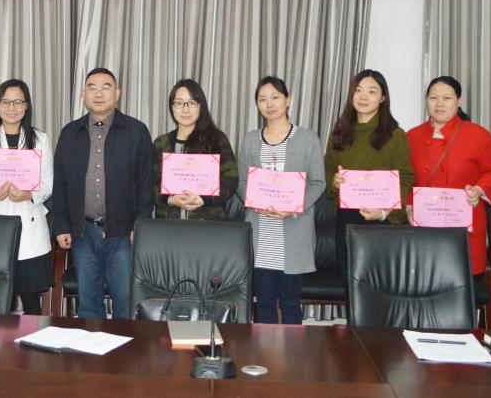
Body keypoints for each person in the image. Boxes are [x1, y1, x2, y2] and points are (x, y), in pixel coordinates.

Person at [53, 67, 153, 320]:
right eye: (92, 87)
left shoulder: (136, 131)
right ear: (83, 94)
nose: (98, 93)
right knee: (88, 307)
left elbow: (145, 183)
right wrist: (61, 225)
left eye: (106, 87)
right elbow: (60, 183)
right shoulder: (70, 133)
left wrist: (140, 226)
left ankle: (126, 347)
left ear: (117, 93)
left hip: (123, 234)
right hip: (83, 233)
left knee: (126, 305)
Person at [237, 76, 325, 324]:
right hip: (261, 233)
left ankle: (293, 351)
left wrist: (294, 208)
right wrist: (254, 201)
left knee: (290, 303)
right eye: (262, 99)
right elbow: (242, 182)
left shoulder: (308, 138)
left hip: (294, 231)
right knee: (263, 302)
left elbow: (318, 182)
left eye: (275, 97)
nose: (269, 104)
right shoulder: (250, 140)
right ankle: (264, 350)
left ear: (288, 100)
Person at [0, 79, 54, 315]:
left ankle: (34, 338)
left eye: (17, 102)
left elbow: (48, 183)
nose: (11, 108)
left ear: (26, 106)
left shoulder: (40, 139)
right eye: (5, 102)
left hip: (29, 226)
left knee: (31, 304)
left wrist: (28, 195)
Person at [405, 76, 491, 277]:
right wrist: (409, 207)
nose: (439, 104)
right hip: (425, 227)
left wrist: (478, 190)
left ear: (458, 101)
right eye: (433, 98)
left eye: (447, 98)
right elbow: (407, 178)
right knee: (427, 281)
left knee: (465, 283)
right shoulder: (412, 136)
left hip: (465, 228)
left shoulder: (477, 134)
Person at [325, 69, 414, 282]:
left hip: (380, 221)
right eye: (358, 90)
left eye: (371, 91)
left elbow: (406, 178)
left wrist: (385, 213)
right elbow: (328, 170)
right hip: (347, 220)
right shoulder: (339, 132)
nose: (363, 96)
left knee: (378, 287)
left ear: (382, 98)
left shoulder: (395, 135)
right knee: (350, 286)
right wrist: (334, 183)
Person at [152, 79, 237, 221]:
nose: (185, 109)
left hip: (207, 224)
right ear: (172, 107)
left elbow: (231, 180)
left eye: (192, 103)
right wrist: (170, 199)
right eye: (179, 103)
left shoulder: (216, 139)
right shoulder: (161, 143)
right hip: (168, 226)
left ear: (200, 106)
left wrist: (203, 199)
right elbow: (149, 182)